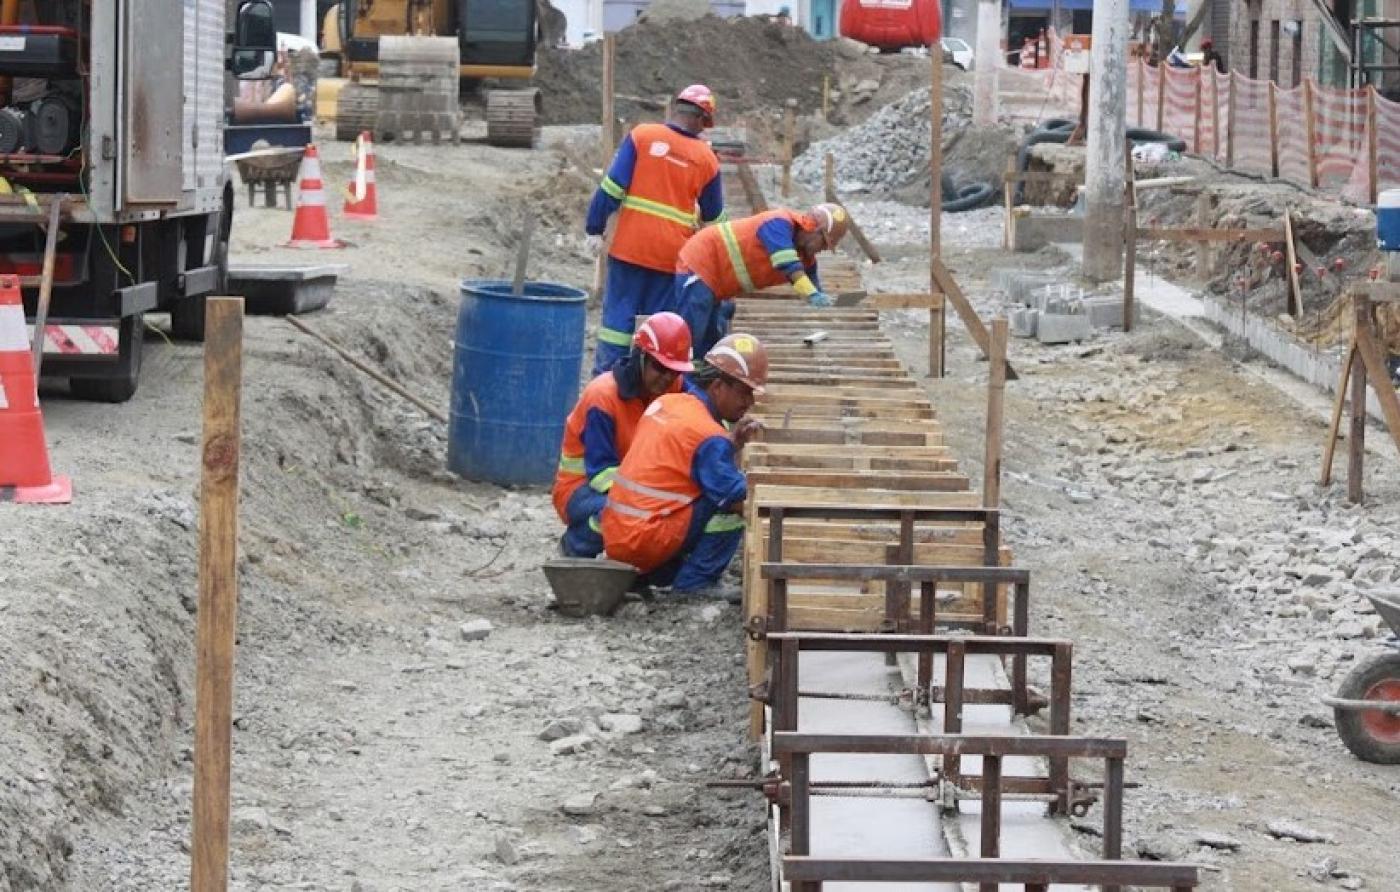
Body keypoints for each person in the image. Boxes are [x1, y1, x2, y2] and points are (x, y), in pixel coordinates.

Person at [601, 333, 768, 602]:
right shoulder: (707, 435)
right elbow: (739, 498)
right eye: (744, 392)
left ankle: (653, 575)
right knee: (734, 503)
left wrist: (731, 443)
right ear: (716, 386)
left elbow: (681, 464)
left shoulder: (668, 403)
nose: (749, 403)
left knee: (716, 492)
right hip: (645, 541)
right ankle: (696, 584)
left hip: (618, 537)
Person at [585, 85, 726, 376]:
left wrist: (593, 227)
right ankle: (646, 388)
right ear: (702, 120)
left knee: (616, 325)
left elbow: (611, 188)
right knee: (655, 325)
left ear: (676, 109)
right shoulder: (707, 159)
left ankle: (606, 384)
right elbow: (714, 214)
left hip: (628, 250)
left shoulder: (642, 136)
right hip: (670, 259)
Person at [553, 313, 695, 558]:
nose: (668, 378)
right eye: (660, 368)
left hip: (633, 486)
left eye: (674, 371)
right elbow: (600, 474)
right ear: (640, 357)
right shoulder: (602, 398)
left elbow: (704, 409)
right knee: (625, 512)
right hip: (581, 489)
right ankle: (577, 547)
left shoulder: (671, 385)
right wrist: (650, 498)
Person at [674, 204, 849, 357]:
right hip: (701, 263)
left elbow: (812, 285)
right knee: (691, 334)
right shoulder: (778, 222)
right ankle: (679, 381)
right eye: (824, 243)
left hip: (720, 285)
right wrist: (811, 294)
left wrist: (825, 298)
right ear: (813, 228)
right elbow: (787, 264)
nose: (824, 249)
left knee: (711, 341)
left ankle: (700, 379)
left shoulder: (807, 258)